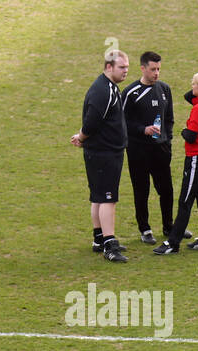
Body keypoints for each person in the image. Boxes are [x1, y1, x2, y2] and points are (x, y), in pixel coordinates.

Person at [121, 51, 190, 246]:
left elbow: (169, 118)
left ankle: (169, 226)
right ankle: (145, 229)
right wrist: (143, 130)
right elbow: (122, 121)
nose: (156, 73)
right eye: (153, 69)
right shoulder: (131, 92)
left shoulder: (164, 89)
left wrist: (167, 140)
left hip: (160, 150)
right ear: (142, 68)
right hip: (138, 151)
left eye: (159, 69)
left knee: (166, 190)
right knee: (141, 191)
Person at [71, 50, 130, 262]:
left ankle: (99, 239)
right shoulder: (105, 92)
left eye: (126, 68)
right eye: (121, 67)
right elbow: (92, 121)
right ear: (108, 67)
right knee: (108, 199)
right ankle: (109, 245)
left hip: (101, 151)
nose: (125, 71)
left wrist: (83, 138)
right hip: (105, 153)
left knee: (98, 197)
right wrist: (82, 136)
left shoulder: (107, 87)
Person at [153, 71, 198, 254]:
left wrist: (182, 131)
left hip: (196, 159)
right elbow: (188, 97)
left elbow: (190, 136)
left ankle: (173, 243)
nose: (191, 87)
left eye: (194, 84)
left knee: (185, 201)